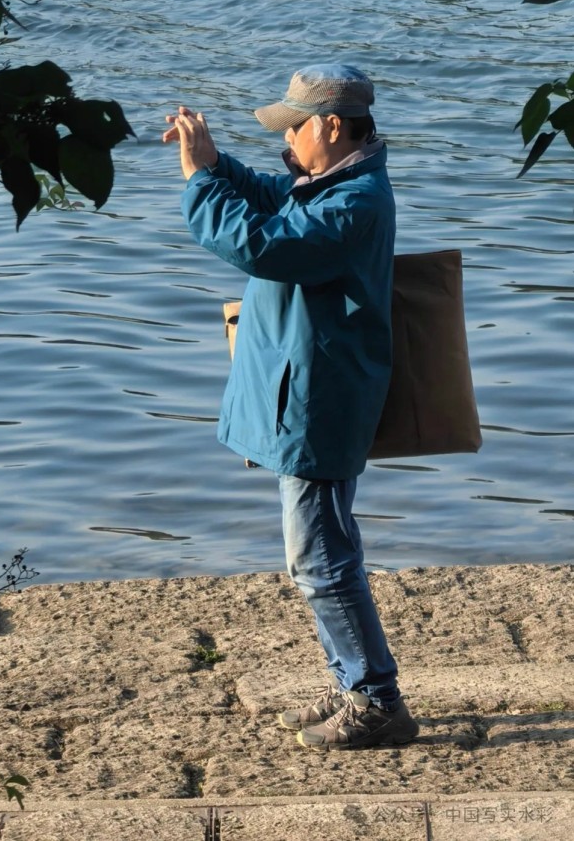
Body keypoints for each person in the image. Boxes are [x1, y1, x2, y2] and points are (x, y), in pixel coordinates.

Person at [163, 63, 419, 751]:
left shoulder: (355, 201)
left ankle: (377, 701)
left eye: (296, 128)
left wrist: (197, 183)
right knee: (325, 550)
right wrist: (217, 165)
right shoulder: (335, 183)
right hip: (308, 394)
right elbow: (278, 197)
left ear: (332, 127)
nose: (289, 142)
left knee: (322, 560)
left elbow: (265, 243)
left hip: (319, 402)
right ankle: (356, 684)